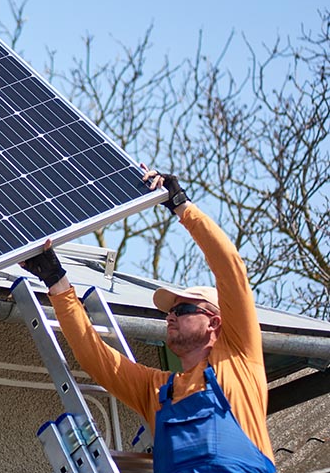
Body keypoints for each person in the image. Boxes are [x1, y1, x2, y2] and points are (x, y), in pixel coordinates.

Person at [21, 170, 276, 473]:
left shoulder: (240, 359)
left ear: (214, 323)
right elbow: (94, 357)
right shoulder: (156, 391)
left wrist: (182, 206)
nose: (171, 316)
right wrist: (57, 282)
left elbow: (230, 268)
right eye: (170, 312)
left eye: (182, 310)